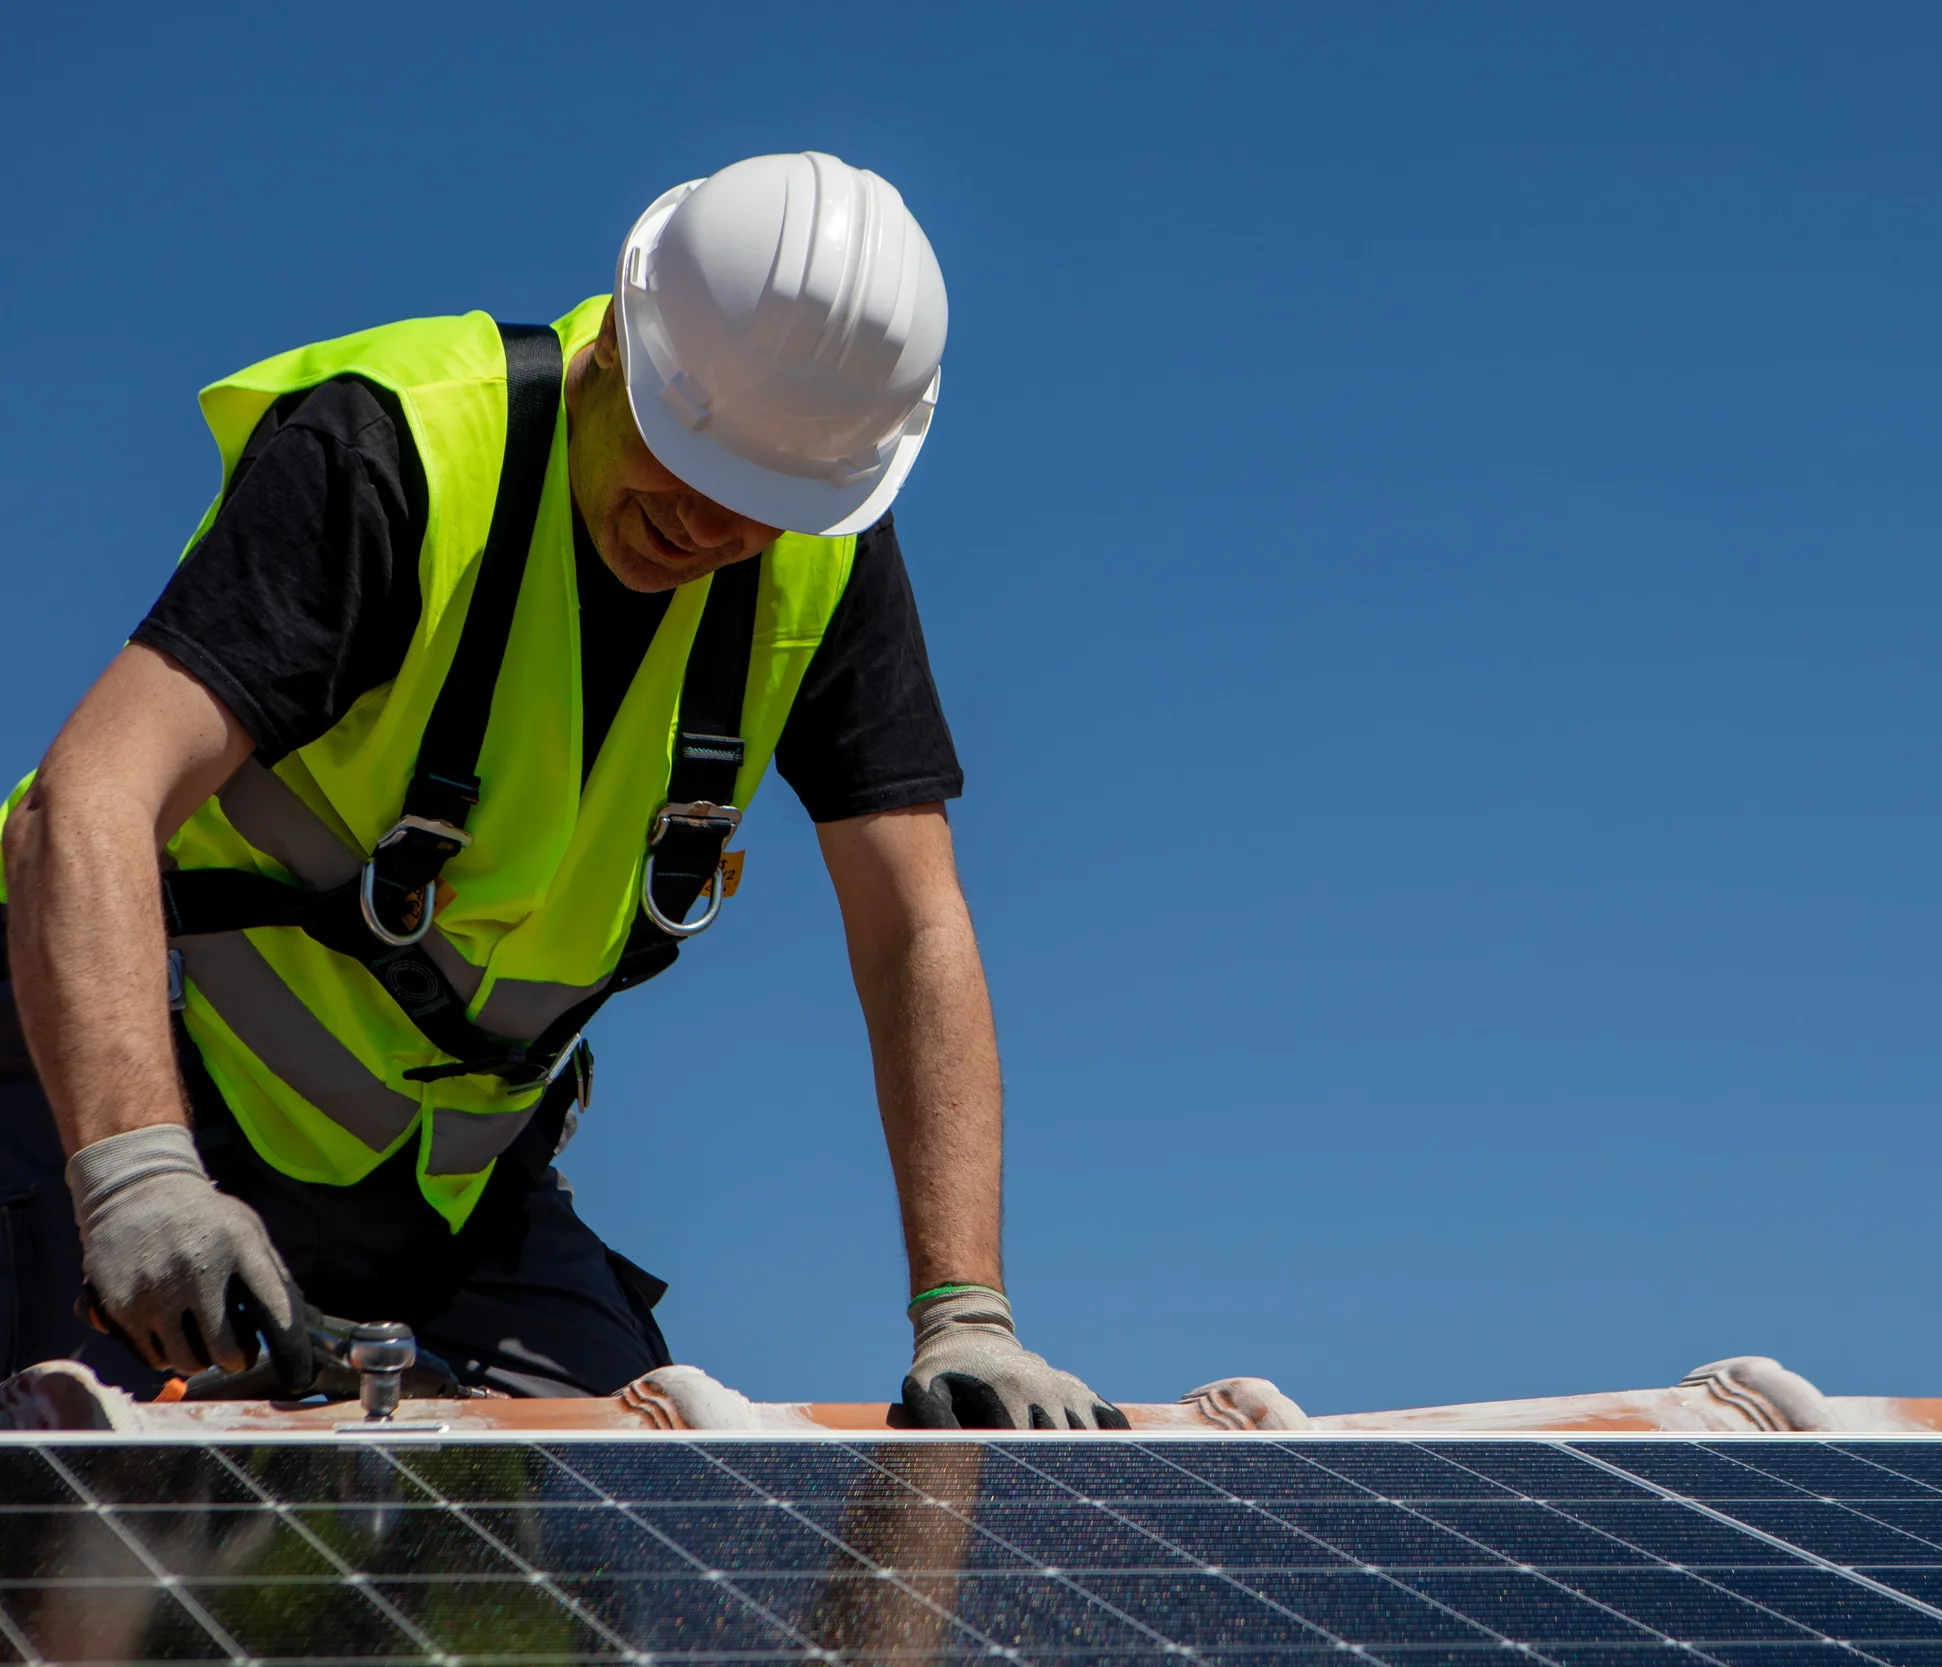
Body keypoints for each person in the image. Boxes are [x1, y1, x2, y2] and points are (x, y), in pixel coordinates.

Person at [0, 151, 1122, 1428]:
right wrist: (137, 1176)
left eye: (761, 501)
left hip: (449, 1182)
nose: (709, 525)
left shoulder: (824, 556)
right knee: (90, 1484)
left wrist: (965, 1310)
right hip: (124, 1087)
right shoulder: (399, 452)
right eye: (685, 454)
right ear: (620, 345)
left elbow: (912, 923)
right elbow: (82, 802)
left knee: (641, 1481)